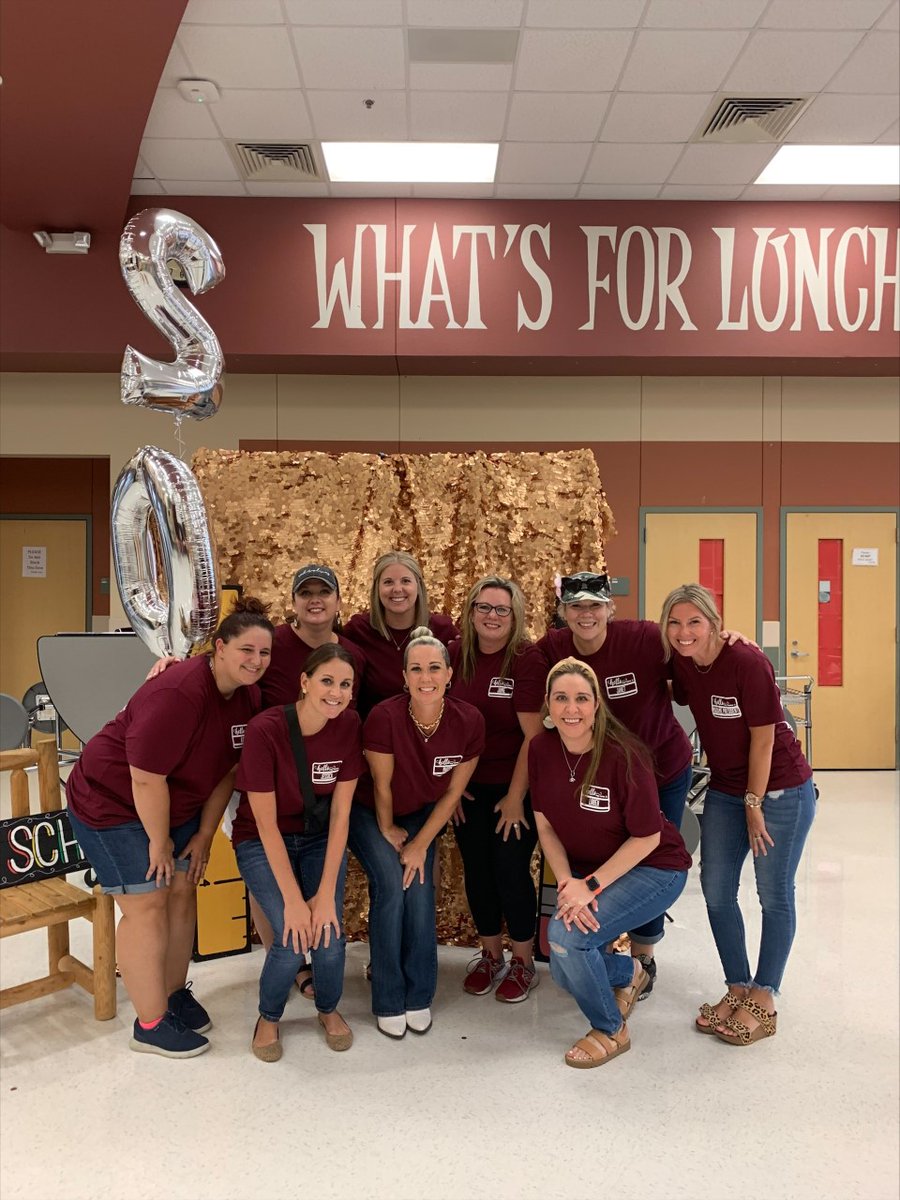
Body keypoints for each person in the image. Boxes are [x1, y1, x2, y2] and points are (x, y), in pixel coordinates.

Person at [65, 599, 274, 1058]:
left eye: (264, 653)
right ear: (219, 648)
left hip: (176, 804)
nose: (256, 661)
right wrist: (159, 842)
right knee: (146, 903)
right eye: (246, 650)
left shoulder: (248, 697)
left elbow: (227, 772)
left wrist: (204, 834)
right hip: (112, 801)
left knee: (182, 889)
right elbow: (145, 778)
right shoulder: (178, 692)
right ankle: (150, 1023)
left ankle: (173, 994)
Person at [660, 584, 816, 1046]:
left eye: (694, 622)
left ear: (714, 622)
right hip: (727, 789)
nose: (684, 632)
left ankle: (765, 996)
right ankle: (737, 986)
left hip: (781, 790)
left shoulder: (747, 662)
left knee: (774, 893)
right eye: (674, 623)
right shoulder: (684, 662)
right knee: (715, 890)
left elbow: (764, 740)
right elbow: (665, 687)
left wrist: (754, 803)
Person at [534, 571, 694, 996]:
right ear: (563, 611)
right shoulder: (553, 648)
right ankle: (597, 948)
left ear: (610, 608)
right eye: (576, 606)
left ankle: (643, 957)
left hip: (662, 770)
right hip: (600, 774)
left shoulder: (643, 639)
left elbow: (692, 651)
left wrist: (730, 640)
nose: (586, 614)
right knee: (596, 852)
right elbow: (516, 661)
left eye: (594, 605)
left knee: (648, 857)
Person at [529, 658, 691, 1069]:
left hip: (655, 868)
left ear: (597, 704)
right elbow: (545, 825)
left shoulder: (624, 755)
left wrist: (589, 886)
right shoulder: (540, 749)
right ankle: (630, 972)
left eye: (581, 699)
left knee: (567, 939)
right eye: (561, 698)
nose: (571, 709)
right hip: (588, 873)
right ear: (547, 703)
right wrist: (567, 883)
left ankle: (611, 1028)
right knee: (562, 966)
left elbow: (648, 838)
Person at [349, 628, 485, 1039]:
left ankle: (419, 993)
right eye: (416, 669)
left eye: (434, 668)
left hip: (422, 813)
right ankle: (389, 996)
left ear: (449, 674)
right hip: (371, 811)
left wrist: (420, 844)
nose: (426, 677)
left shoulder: (469, 721)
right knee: (393, 884)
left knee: (420, 886)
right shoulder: (384, 716)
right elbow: (381, 786)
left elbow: (453, 795)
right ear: (404, 677)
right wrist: (390, 831)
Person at [233, 644, 365, 1062]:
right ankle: (268, 1016)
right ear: (305, 682)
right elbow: (265, 823)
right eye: (327, 681)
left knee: (328, 934)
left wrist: (324, 895)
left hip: (317, 838)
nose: (336, 692)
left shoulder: (349, 725)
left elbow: (341, 817)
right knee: (291, 939)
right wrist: (294, 901)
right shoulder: (265, 730)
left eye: (345, 684)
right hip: (260, 839)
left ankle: (327, 1008)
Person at [448, 575, 545, 1001]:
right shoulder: (454, 654)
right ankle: (491, 956)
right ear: (471, 613)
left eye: (501, 609)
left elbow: (534, 737)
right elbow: (440, 724)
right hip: (468, 786)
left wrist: (515, 798)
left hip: (516, 785)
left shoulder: (525, 658)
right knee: (478, 870)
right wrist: (450, 791)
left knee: (509, 868)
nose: (492, 616)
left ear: (514, 616)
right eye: (484, 607)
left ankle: (523, 962)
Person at [342, 551, 457, 716]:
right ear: (377, 588)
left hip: (432, 728)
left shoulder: (443, 630)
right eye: (388, 582)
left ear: (418, 586)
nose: (397, 589)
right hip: (376, 727)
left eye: (405, 581)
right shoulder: (358, 630)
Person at [260, 563, 367, 709]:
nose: (315, 599)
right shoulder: (270, 643)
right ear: (293, 603)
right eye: (305, 593)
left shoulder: (353, 655)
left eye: (324, 592)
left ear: (338, 602)